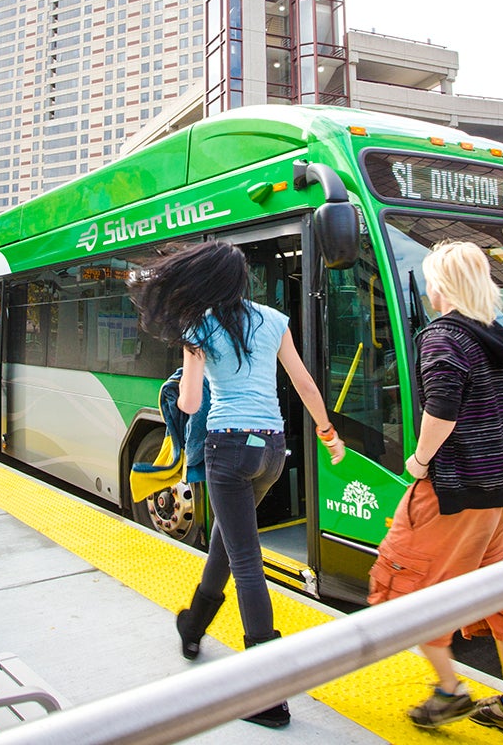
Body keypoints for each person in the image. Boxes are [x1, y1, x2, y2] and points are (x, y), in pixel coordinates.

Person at [129, 240, 345, 730]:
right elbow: (305, 383)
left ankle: (266, 694)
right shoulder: (273, 320)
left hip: (228, 448)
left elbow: (187, 403)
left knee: (247, 565)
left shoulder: (198, 327)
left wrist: (188, 381)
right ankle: (194, 624)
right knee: (230, 542)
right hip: (271, 449)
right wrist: (328, 434)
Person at [367, 241, 503, 740]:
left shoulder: (442, 336)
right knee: (501, 595)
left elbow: (442, 406)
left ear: (441, 285)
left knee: (404, 587)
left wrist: (420, 461)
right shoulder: (496, 335)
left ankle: (449, 690)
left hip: (457, 488)